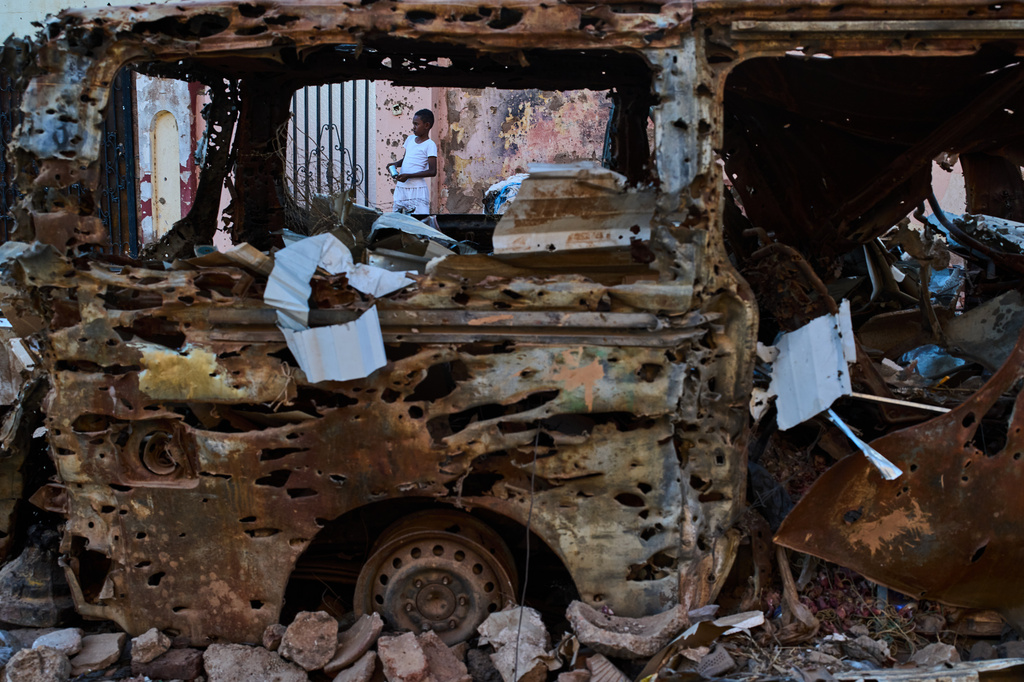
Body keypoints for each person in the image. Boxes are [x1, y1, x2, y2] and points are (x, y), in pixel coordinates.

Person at [387, 109, 437, 214]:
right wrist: (395, 164)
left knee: (419, 221)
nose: (413, 127)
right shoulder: (410, 140)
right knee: (398, 219)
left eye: (416, 124)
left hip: (417, 190)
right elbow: (406, 159)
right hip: (402, 187)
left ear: (426, 125)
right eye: (413, 124)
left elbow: (432, 171)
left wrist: (409, 176)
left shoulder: (430, 145)